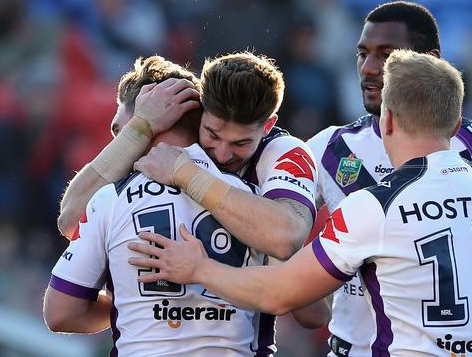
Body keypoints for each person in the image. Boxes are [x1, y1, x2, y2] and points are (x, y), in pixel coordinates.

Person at [127, 49, 472, 356]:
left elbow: (281, 295)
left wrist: (199, 267)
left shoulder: (375, 205)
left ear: (388, 118)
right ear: (454, 122)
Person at [304, 1, 472, 356]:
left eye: (386, 55)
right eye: (362, 53)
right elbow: (279, 230)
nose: (368, 69)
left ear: (429, 59)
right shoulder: (331, 147)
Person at [57, 51, 329, 331]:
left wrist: (186, 174)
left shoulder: (282, 152)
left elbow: (289, 250)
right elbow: (71, 220)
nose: (223, 155)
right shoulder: (151, 152)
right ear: (201, 115)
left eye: (241, 143)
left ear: (267, 126)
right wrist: (138, 130)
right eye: (212, 134)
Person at [43, 57, 275, 356]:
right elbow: (309, 310)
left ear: (151, 115)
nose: (117, 142)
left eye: (119, 132)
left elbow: (61, 312)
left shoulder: (109, 199)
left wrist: (134, 302)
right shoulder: (257, 201)